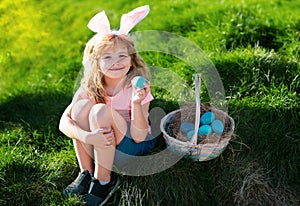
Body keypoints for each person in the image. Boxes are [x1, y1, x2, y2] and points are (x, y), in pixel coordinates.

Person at [59, 5, 156, 206]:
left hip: (133, 146)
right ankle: (86, 172)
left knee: (100, 111)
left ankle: (104, 181)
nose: (116, 62)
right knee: (79, 109)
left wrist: (137, 103)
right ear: (97, 63)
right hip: (102, 144)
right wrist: (88, 136)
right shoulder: (91, 87)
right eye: (108, 57)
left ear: (131, 59)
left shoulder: (136, 87)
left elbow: (139, 137)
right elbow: (64, 123)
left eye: (122, 55)